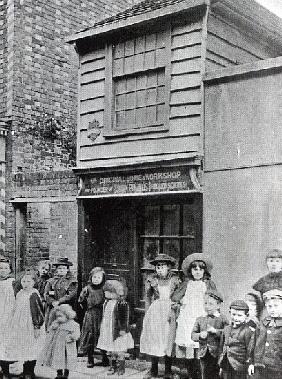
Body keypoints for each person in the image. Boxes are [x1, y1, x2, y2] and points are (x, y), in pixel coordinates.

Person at [171, 253, 216, 379]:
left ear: (204, 271)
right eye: (194, 269)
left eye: (200, 269)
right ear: (190, 271)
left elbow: (214, 299)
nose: (197, 272)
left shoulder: (208, 284)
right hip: (188, 318)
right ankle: (190, 373)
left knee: (200, 347)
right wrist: (181, 302)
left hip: (201, 316)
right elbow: (175, 297)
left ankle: (200, 374)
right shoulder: (187, 284)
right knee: (188, 346)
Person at [140, 254, 180, 379]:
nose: (160, 269)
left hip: (170, 311)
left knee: (168, 338)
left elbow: (179, 296)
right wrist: (147, 312)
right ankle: (154, 369)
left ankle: (168, 370)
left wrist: (176, 308)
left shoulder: (175, 279)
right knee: (155, 338)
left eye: (163, 266)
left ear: (168, 267)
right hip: (156, 311)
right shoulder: (152, 279)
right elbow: (147, 297)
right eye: (158, 267)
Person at [3, 271, 45, 379]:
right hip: (20, 325)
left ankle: (29, 371)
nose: (26, 283)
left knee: (32, 347)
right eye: (23, 281)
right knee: (24, 347)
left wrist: (37, 327)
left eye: (29, 281)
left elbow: (38, 312)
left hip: (30, 325)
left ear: (34, 282)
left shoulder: (34, 294)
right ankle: (24, 370)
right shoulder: (20, 293)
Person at [97, 279, 134, 376]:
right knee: (111, 350)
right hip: (108, 330)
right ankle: (113, 366)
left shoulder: (121, 304)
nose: (106, 294)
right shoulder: (106, 303)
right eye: (105, 292)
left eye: (109, 292)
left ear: (116, 293)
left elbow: (124, 318)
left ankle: (121, 367)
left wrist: (123, 329)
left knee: (119, 349)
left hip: (118, 332)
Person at [191, 289, 229, 379]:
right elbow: (193, 335)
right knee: (205, 373)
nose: (207, 307)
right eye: (205, 303)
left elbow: (228, 333)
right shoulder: (200, 319)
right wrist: (200, 335)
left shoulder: (222, 319)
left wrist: (216, 331)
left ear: (218, 305)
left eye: (211, 304)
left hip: (218, 353)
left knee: (216, 374)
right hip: (203, 353)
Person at [39, 304, 80, 379]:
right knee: (58, 360)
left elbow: (77, 333)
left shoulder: (73, 324)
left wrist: (72, 337)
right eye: (57, 316)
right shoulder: (57, 323)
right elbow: (50, 331)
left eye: (60, 316)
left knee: (68, 360)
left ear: (67, 315)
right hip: (58, 347)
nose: (58, 318)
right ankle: (59, 373)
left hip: (68, 347)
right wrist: (52, 328)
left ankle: (66, 374)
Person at [248, 289, 282, 379]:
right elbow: (253, 343)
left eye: (276, 306)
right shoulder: (262, 323)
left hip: (277, 369)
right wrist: (251, 363)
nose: (273, 309)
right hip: (259, 366)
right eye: (270, 306)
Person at [78, 266, 108, 368]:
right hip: (91, 314)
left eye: (98, 278)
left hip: (102, 314)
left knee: (102, 335)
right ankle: (90, 358)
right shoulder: (87, 289)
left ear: (102, 279)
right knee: (90, 336)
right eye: (94, 277)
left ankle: (105, 357)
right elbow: (81, 301)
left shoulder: (104, 289)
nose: (96, 279)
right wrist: (87, 308)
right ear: (91, 277)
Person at [219, 300, 255, 379]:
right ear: (230, 313)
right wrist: (221, 364)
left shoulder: (247, 331)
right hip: (226, 365)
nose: (236, 318)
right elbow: (222, 347)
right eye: (233, 314)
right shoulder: (226, 329)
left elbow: (250, 350)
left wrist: (250, 364)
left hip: (239, 366)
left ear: (246, 315)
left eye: (239, 315)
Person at [44, 257, 78, 329]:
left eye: (63, 268)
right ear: (56, 269)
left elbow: (71, 294)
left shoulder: (72, 281)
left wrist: (59, 301)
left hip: (66, 308)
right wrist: (52, 302)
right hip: (53, 308)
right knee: (52, 326)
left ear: (67, 269)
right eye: (59, 268)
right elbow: (46, 294)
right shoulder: (51, 281)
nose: (61, 270)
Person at [0, 256, 16, 378]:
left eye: (5, 268)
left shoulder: (13, 283)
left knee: (5, 344)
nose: (3, 270)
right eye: (0, 268)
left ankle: (6, 371)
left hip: (7, 317)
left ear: (10, 270)